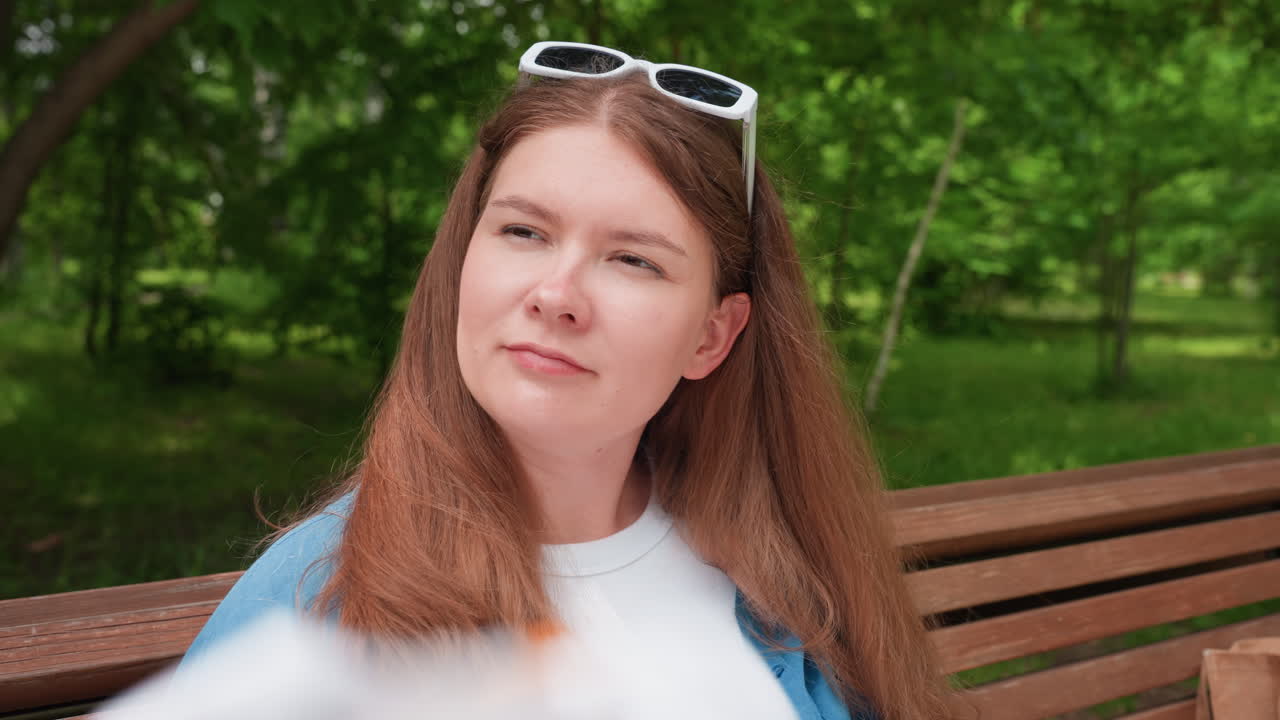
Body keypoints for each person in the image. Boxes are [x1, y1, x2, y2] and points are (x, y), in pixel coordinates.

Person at [184, 41, 951, 720]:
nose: (556, 295)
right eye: (524, 231)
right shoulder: (321, 591)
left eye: (633, 260)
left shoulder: (783, 583)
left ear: (712, 335)